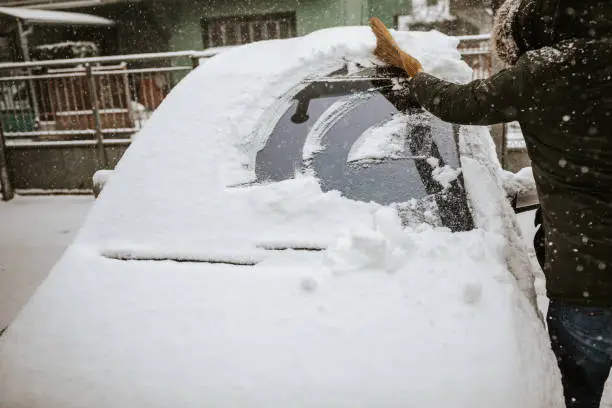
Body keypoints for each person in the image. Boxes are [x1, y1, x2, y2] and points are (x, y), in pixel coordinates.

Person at [370, 1, 612, 407]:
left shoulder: (541, 72)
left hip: (586, 283)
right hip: (586, 279)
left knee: (577, 394)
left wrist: (415, 75)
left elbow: (459, 104)